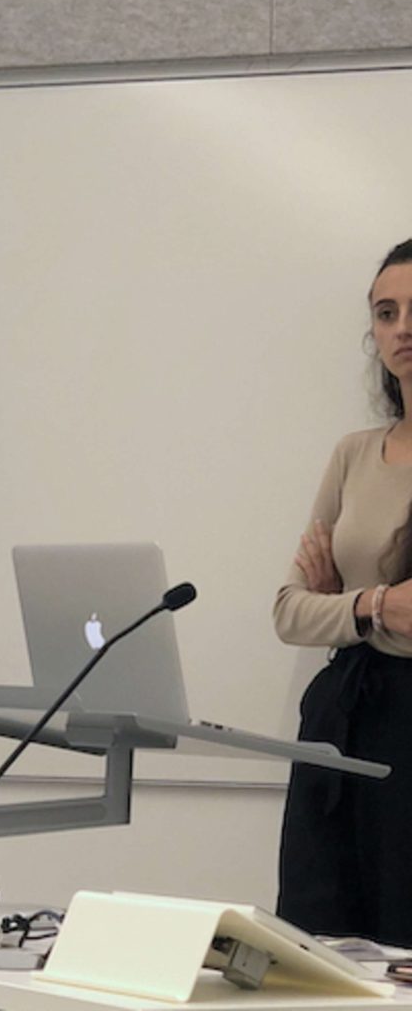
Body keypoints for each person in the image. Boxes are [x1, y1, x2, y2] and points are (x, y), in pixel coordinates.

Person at [274, 238, 412, 945]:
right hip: (343, 716)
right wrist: (372, 605)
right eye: (386, 312)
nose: (402, 328)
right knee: (317, 935)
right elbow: (290, 610)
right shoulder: (355, 453)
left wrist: (342, 604)